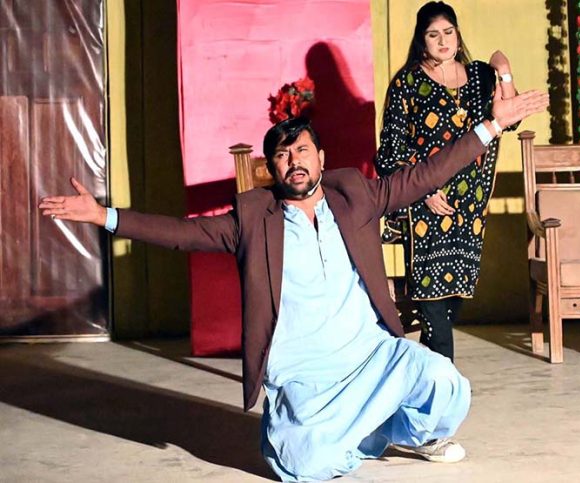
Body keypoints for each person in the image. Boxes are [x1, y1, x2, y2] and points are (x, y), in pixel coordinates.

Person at [39, 87, 547, 481]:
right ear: (272, 168)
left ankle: (401, 432)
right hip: (305, 371)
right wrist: (103, 216)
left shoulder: (355, 196)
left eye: (302, 150)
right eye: (282, 156)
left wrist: (491, 125)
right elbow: (180, 234)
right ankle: (329, 429)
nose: (294, 161)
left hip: (368, 353)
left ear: (321, 157)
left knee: (445, 383)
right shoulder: (253, 220)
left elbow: (426, 175)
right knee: (303, 466)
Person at [375, 1, 520, 360]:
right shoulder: (407, 83)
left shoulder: (479, 77)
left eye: (448, 32)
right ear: (421, 40)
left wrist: (503, 68)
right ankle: (446, 379)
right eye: (433, 35)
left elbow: (511, 117)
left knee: (454, 299)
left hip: (468, 207)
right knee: (432, 301)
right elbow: (390, 150)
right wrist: (424, 190)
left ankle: (429, 373)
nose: (443, 41)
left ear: (458, 34)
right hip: (426, 205)